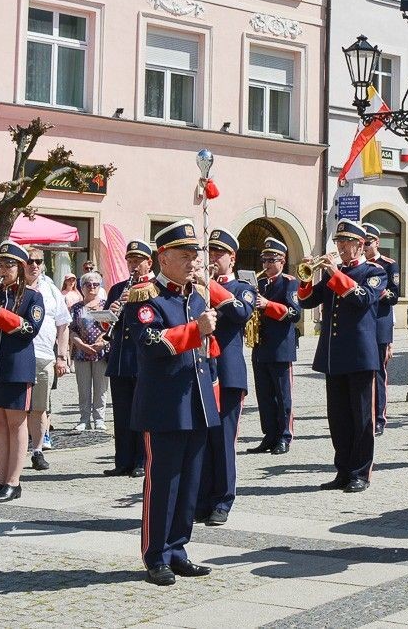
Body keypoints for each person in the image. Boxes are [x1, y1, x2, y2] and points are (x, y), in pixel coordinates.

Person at [125, 219, 220, 586]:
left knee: (191, 483)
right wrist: (198, 330)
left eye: (195, 254)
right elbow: (151, 344)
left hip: (195, 401)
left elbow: (205, 352)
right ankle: (156, 555)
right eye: (185, 255)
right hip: (164, 405)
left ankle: (178, 548)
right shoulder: (145, 297)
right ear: (163, 258)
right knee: (163, 482)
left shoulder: (197, 296)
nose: (193, 261)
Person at [298, 219, 386, 493]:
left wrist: (335, 274)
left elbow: (361, 298)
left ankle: (361, 473)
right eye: (338, 242)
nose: (341, 247)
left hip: (360, 356)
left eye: (346, 243)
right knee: (338, 419)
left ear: (360, 245)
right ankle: (343, 470)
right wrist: (305, 277)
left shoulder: (374, 272)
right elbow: (306, 301)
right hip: (334, 355)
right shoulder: (331, 276)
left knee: (362, 419)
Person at [0, 241, 46, 503]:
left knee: (16, 424)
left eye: (9, 265)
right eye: (0, 265)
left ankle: (14, 482)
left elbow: (29, 330)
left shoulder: (32, 297)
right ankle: (0, 480)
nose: (3, 269)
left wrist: (0, 313)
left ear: (20, 268)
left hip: (16, 367)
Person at [197, 228, 256, 525]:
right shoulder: (196, 288)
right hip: (200, 371)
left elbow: (241, 311)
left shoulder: (242, 286)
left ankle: (223, 500)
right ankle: (201, 498)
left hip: (228, 373)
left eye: (218, 253)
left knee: (222, 441)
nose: (212, 258)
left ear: (231, 258)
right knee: (201, 439)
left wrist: (208, 285)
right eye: (210, 252)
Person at [103, 240, 153, 477]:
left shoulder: (152, 288)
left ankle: (142, 460)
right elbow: (105, 322)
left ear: (148, 263)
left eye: (137, 261)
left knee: (141, 412)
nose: (132, 266)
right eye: (130, 261)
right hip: (120, 360)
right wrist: (111, 313)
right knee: (121, 414)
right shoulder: (117, 289)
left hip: (141, 361)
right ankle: (122, 460)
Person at [247, 238, 301, 455]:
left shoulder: (289, 283)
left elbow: (294, 313)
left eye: (272, 260)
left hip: (280, 347)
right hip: (260, 346)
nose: (267, 265)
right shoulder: (259, 283)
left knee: (282, 394)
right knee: (264, 394)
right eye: (264, 260)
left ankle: (284, 436)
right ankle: (269, 435)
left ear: (282, 260)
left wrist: (268, 305)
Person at [23, 247, 71, 473]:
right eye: (30, 261)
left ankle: (37, 451)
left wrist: (61, 356)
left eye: (38, 261)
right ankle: (15, 451)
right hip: (18, 355)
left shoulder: (51, 290)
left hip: (44, 356)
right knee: (17, 409)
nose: (34, 265)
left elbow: (63, 325)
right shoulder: (15, 289)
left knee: (40, 408)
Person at [362, 223, 400, 436]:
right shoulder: (357, 265)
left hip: (379, 324)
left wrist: (382, 293)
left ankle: (379, 418)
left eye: (368, 243)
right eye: (362, 243)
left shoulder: (388, 265)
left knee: (378, 373)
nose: (365, 247)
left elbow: (395, 296)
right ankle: (364, 414)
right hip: (361, 324)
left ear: (377, 242)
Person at [69, 272, 110, 441]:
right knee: (83, 387)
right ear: (82, 287)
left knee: (101, 388)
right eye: (88, 284)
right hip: (81, 352)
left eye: (95, 284)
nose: (92, 287)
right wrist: (80, 345)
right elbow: (72, 329)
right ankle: (84, 418)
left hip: (101, 351)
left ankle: (99, 419)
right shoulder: (76, 308)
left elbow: (111, 328)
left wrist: (103, 342)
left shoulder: (105, 305)